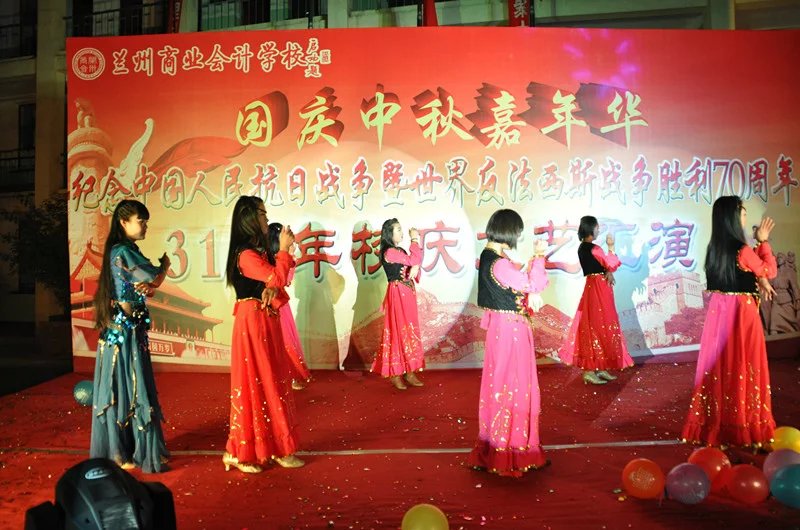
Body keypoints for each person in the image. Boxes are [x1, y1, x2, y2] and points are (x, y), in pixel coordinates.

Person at [682, 196, 777, 449]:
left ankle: (719, 430)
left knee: (722, 370)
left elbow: (749, 272)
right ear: (733, 218)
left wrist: (759, 277)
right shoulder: (743, 250)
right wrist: (763, 242)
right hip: (741, 315)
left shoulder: (714, 249)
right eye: (743, 214)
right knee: (746, 365)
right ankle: (747, 428)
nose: (745, 218)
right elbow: (769, 270)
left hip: (719, 314)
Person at [223, 196, 304, 473]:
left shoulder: (258, 253)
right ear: (248, 217)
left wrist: (275, 279)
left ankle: (278, 447)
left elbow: (278, 281)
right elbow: (276, 277)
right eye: (262, 213)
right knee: (257, 384)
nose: (266, 218)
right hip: (252, 324)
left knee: (273, 382)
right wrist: (283, 250)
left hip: (266, 320)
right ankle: (241, 451)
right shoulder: (245, 255)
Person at [467, 209, 550, 477]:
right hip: (511, 330)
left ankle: (498, 445)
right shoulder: (500, 264)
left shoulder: (489, 257)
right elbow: (534, 283)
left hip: (501, 328)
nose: (518, 237)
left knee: (501, 382)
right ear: (509, 232)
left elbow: (519, 285)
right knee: (513, 384)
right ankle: (512, 449)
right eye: (518, 232)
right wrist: (539, 256)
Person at [90, 199, 170, 473]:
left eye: (146, 221)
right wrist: (165, 266)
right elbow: (154, 276)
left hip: (128, 328)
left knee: (127, 386)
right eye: (141, 220)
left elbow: (142, 285)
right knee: (126, 387)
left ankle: (126, 449)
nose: (145, 225)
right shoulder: (123, 251)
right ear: (124, 222)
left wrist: (148, 288)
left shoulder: (123, 250)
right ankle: (119, 452)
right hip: (123, 332)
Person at [558, 216, 634, 384]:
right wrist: (611, 247)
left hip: (592, 287)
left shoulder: (582, 248)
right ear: (591, 229)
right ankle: (590, 370)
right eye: (597, 227)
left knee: (594, 326)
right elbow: (611, 264)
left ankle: (599, 367)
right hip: (600, 288)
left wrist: (607, 271)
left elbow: (605, 267)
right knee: (601, 325)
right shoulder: (595, 248)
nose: (599, 230)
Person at [371, 218, 425, 390]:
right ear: (390, 233)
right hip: (397, 293)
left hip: (407, 292)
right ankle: (395, 373)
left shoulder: (399, 251)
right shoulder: (389, 252)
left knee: (410, 330)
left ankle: (410, 371)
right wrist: (414, 239)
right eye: (398, 230)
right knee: (399, 330)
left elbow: (414, 264)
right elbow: (413, 259)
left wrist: (415, 267)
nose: (402, 232)